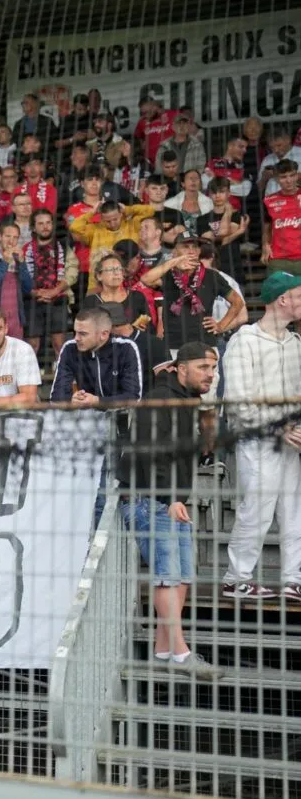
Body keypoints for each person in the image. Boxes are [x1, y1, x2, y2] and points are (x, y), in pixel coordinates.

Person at [120, 341, 220, 678]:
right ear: (181, 367)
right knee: (168, 575)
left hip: (171, 500)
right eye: (204, 367)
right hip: (151, 500)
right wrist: (169, 497)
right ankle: (181, 654)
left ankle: (164, 651)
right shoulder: (159, 398)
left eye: (213, 368)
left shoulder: (186, 398)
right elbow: (151, 452)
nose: (211, 374)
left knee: (183, 577)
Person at [220, 272, 301, 601]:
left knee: (293, 510)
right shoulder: (245, 339)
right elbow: (239, 401)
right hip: (257, 438)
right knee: (257, 508)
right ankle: (235, 578)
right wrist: (281, 426)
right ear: (283, 299)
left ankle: (293, 579)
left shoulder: (296, 344)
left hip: (292, 442)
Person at [138, 236, 245, 355]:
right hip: (174, 344)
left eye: (194, 246)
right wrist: (175, 262)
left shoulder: (212, 276)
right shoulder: (168, 275)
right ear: (174, 251)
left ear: (199, 251)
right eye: (185, 247)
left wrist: (221, 326)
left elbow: (237, 302)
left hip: (205, 344)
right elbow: (145, 279)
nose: (191, 250)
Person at [48, 307, 143, 404]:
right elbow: (56, 398)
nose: (76, 338)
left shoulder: (126, 347)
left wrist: (97, 401)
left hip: (120, 414)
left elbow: (133, 398)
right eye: (75, 332)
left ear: (104, 334)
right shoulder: (70, 348)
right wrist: (71, 401)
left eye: (83, 334)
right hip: (85, 414)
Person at [22, 208, 77, 358]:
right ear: (33, 227)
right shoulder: (24, 250)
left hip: (58, 299)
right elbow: (21, 276)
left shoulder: (63, 247)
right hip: (32, 301)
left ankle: (65, 378)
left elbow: (72, 272)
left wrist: (55, 291)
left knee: (61, 344)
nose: (45, 226)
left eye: (48, 223)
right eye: (40, 223)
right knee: (31, 346)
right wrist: (34, 292)